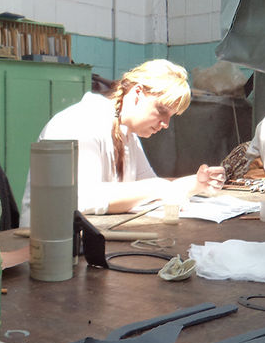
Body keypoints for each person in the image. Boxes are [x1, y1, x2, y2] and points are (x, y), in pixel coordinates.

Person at [19, 59, 226, 224]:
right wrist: (159, 187)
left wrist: (196, 184)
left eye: (171, 116)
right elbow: (83, 198)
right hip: (46, 247)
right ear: (137, 93)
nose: (165, 124)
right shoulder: (82, 122)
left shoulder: (127, 132)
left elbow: (146, 189)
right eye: (161, 111)